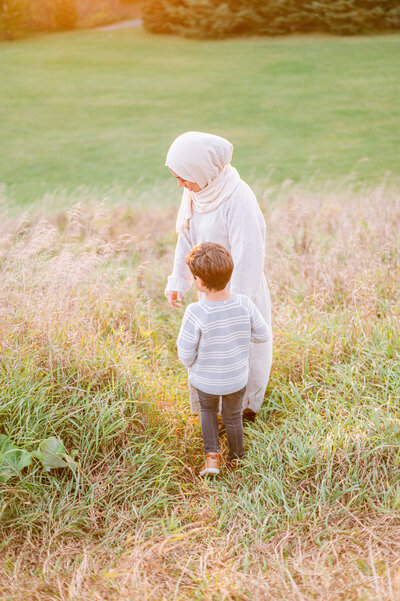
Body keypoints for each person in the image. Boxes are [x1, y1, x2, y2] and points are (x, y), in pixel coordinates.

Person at [165, 131, 273, 421]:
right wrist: (179, 280)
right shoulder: (195, 192)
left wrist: (233, 307)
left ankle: (244, 409)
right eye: (177, 177)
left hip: (239, 292)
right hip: (207, 289)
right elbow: (185, 238)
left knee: (243, 351)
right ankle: (210, 410)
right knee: (211, 352)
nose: (180, 184)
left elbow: (250, 254)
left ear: (204, 169)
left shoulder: (239, 199)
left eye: (184, 177)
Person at [177, 242, 271, 475]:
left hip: (205, 380)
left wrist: (193, 364)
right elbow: (263, 335)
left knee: (208, 412)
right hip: (237, 377)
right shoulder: (244, 304)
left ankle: (212, 459)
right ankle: (237, 459)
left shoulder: (196, 311)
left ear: (199, 282)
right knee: (232, 416)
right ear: (230, 274)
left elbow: (185, 353)